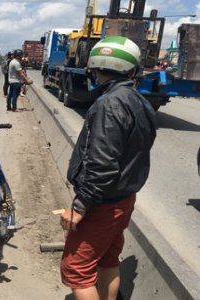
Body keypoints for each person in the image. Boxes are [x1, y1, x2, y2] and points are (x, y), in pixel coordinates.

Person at [59, 36, 157, 300]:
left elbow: (102, 163)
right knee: (107, 259)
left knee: (76, 270)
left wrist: (80, 207)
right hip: (123, 198)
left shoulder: (109, 104)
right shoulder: (139, 100)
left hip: (103, 202)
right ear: (132, 70)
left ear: (94, 67)